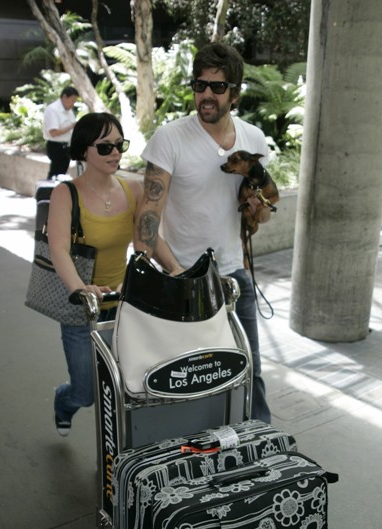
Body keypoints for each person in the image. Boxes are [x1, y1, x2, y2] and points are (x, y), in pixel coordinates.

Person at [133, 42, 276, 424]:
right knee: (186, 382)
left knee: (249, 371)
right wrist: (178, 273)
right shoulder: (170, 139)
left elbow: (260, 215)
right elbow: (146, 227)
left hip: (234, 276)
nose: (206, 94)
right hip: (180, 279)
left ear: (235, 93)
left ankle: (261, 448)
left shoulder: (253, 140)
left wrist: (258, 211)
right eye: (200, 85)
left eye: (217, 86)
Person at [47, 112, 142, 437]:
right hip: (81, 309)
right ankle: (64, 401)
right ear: (84, 150)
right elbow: (58, 248)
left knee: (124, 387)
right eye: (105, 147)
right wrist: (82, 289)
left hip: (122, 305)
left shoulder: (133, 190)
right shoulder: (65, 193)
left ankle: (120, 454)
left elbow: (147, 243)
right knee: (85, 392)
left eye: (119, 145)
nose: (115, 153)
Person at [43, 86, 79, 179]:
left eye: (74, 101)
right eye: (72, 100)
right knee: (55, 174)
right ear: (64, 97)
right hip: (56, 146)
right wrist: (71, 126)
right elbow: (53, 132)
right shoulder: (53, 110)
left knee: (62, 174)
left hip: (67, 146)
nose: (72, 104)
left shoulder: (69, 111)